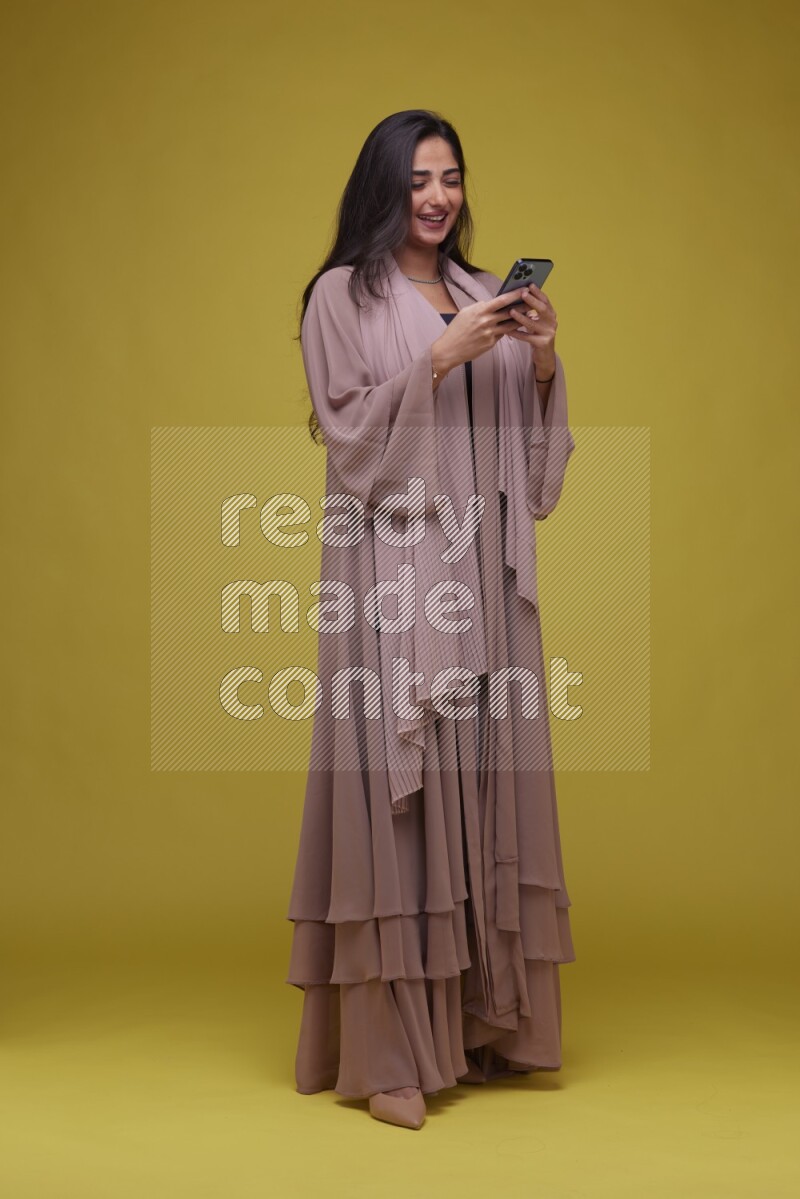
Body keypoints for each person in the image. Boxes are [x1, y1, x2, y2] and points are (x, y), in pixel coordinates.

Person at [285, 109, 576, 1130]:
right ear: (382, 188)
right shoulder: (341, 295)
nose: (437, 196)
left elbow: (528, 470)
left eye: (449, 177)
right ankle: (388, 1052)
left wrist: (535, 360)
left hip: (477, 579)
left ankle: (476, 1022)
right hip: (389, 573)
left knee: (482, 776)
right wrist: (437, 360)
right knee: (395, 797)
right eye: (416, 179)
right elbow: (347, 436)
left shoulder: (475, 288)